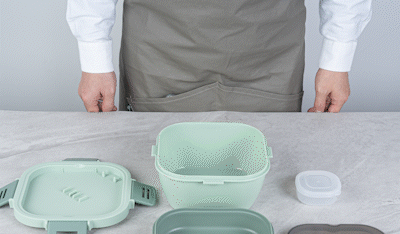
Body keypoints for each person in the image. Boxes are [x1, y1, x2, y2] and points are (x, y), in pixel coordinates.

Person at [67, 0, 372, 113]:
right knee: (158, 167)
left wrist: (337, 59)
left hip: (268, 51)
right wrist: (94, 59)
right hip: (163, 48)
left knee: (264, 168)